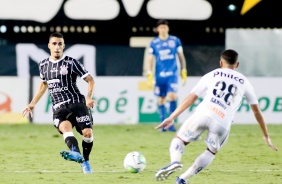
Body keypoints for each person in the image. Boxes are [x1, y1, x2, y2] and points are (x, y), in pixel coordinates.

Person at [154, 49, 278, 183]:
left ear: (220, 63)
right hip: (223, 122)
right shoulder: (244, 81)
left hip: (203, 113)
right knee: (211, 151)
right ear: (237, 64)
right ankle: (183, 179)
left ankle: (175, 161)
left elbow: (191, 98)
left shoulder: (212, 74)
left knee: (179, 139)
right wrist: (266, 136)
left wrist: (172, 117)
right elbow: (257, 112)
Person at [22, 32, 96, 174]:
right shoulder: (43, 65)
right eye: (54, 44)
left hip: (77, 104)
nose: (57, 47)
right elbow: (44, 84)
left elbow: (90, 80)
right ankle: (76, 154)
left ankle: (85, 160)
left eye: (60, 44)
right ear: (49, 45)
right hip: (59, 107)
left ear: (63, 46)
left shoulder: (71, 62)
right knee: (66, 129)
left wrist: (88, 97)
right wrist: (33, 103)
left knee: (87, 134)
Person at [147, 19, 187, 132]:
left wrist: (183, 70)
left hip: (172, 74)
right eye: (161, 27)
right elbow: (150, 58)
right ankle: (163, 123)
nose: (163, 29)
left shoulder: (175, 40)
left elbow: (181, 56)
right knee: (161, 99)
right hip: (159, 75)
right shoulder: (154, 42)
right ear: (157, 29)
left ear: (168, 29)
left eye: (165, 27)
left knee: (172, 96)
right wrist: (149, 72)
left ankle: (171, 123)